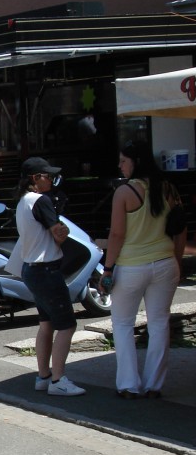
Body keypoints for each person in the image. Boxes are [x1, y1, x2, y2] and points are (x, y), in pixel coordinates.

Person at [99, 143, 185, 398]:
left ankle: (128, 384)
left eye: (123, 161)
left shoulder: (124, 192)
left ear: (135, 161)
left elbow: (117, 234)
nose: (120, 165)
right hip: (165, 263)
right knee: (159, 323)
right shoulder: (168, 189)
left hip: (132, 266)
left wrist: (107, 268)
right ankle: (153, 385)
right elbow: (181, 229)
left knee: (123, 323)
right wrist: (176, 261)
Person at [10, 157, 85, 396]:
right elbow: (59, 235)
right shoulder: (40, 201)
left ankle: (43, 376)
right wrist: (61, 222)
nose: (51, 179)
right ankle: (58, 380)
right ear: (35, 178)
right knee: (67, 325)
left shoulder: (23, 201)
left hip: (31, 269)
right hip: (46, 269)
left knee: (46, 323)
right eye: (47, 175)